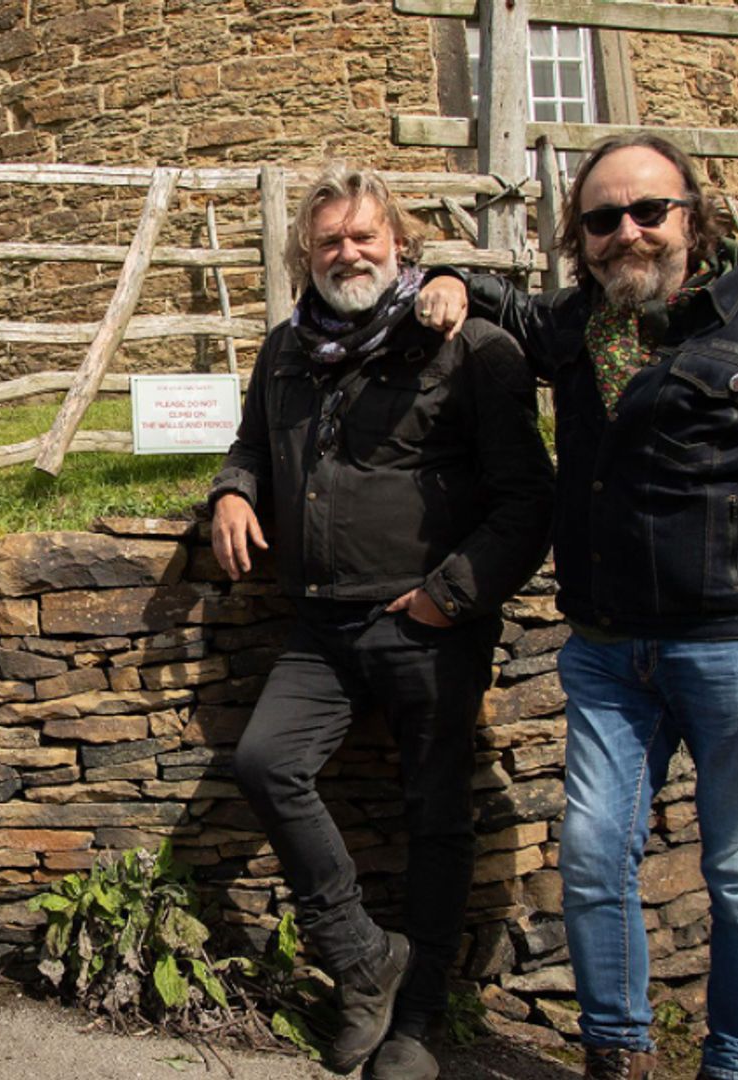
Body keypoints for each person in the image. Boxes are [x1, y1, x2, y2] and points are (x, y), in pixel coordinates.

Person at [415, 133, 738, 1080]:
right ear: (580, 237)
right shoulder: (585, 324)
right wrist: (451, 274)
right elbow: (510, 303)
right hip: (604, 653)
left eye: (648, 211)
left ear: (691, 215)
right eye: (601, 219)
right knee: (590, 862)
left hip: (735, 659)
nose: (626, 232)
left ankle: (737, 1065)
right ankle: (617, 1053)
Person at [211, 163, 554, 1079]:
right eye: (329, 241)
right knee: (264, 762)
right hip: (322, 623)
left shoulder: (465, 342)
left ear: (399, 242)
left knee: (435, 814)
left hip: (429, 621)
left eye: (364, 236)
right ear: (305, 255)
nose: (347, 252)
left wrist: (453, 593)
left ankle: (421, 1022)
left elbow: (527, 499)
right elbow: (252, 445)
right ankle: (366, 963)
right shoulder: (286, 349)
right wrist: (236, 492)